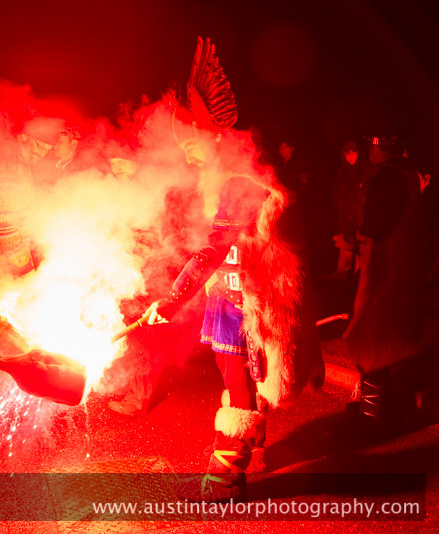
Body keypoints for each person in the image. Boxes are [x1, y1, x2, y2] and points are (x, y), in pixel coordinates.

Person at [141, 38, 323, 502]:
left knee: (240, 389)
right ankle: (251, 449)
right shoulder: (226, 180)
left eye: (193, 145)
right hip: (228, 300)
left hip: (249, 310)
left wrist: (173, 297)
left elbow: (216, 247)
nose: (188, 155)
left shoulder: (241, 183)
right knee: (239, 383)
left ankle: (225, 477)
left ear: (218, 137)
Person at [342, 134, 430, 424]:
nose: (368, 148)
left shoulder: (389, 177)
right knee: (390, 337)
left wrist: (348, 238)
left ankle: (371, 412)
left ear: (382, 147)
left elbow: (378, 225)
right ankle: (391, 404)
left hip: (383, 269)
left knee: (373, 339)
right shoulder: (405, 174)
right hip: (400, 268)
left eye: (372, 144)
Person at [0, 116, 60, 275]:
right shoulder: (8, 171)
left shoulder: (20, 163)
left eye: (47, 149)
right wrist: (24, 269)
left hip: (3, 258)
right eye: (40, 146)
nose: (44, 154)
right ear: (24, 138)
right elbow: (5, 227)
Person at [330, 140, 367, 280]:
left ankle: (358, 278)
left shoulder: (364, 170)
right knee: (345, 246)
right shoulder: (341, 171)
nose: (350, 156)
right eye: (347, 153)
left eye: (353, 153)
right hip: (344, 215)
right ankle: (342, 274)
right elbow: (336, 192)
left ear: (358, 153)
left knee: (359, 248)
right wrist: (338, 206)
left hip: (358, 216)